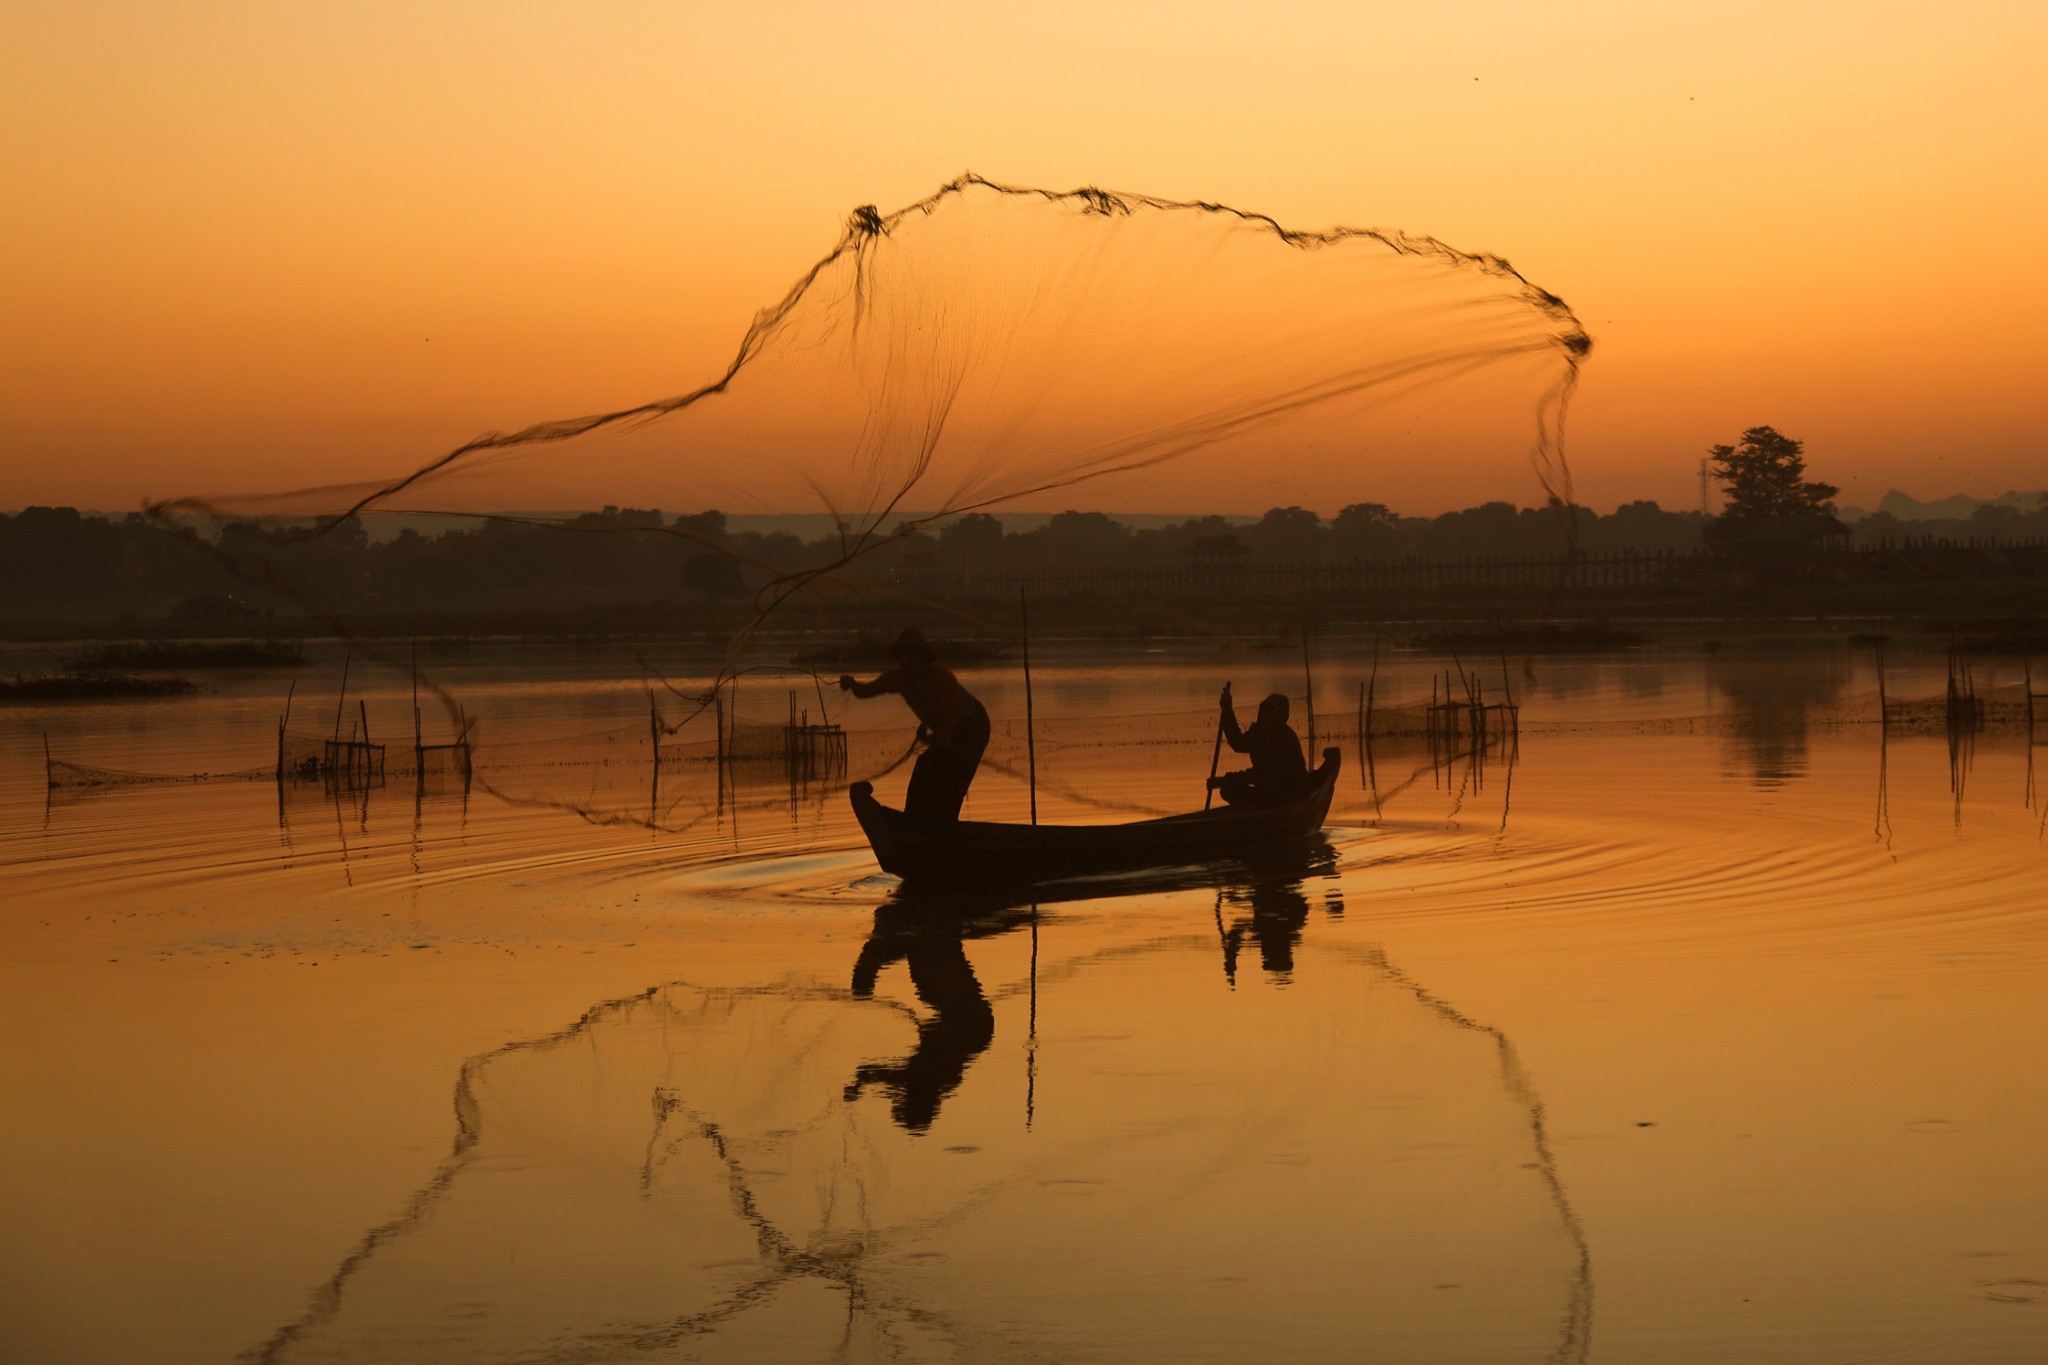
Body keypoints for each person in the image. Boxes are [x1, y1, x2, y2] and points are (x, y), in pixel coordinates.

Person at [839, 628, 990, 824]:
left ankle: (943, 823)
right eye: (904, 656)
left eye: (913, 655)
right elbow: (865, 691)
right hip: (947, 730)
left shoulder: (942, 679)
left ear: (923, 658)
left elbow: (949, 720)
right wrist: (851, 684)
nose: (908, 661)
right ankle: (917, 821)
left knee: (951, 774)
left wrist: (933, 739)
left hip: (973, 726)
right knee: (926, 767)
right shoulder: (897, 678)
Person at [1208, 684, 1310, 808]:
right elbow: (1237, 743)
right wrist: (1227, 710)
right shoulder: (1257, 733)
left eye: (1273, 714)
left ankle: (1258, 814)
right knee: (1228, 789)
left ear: (1281, 718)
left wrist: (1225, 779)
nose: (1268, 717)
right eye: (1266, 712)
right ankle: (1252, 814)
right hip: (1267, 792)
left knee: (1228, 784)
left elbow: (1264, 773)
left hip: (1290, 794)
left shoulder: (1286, 740)